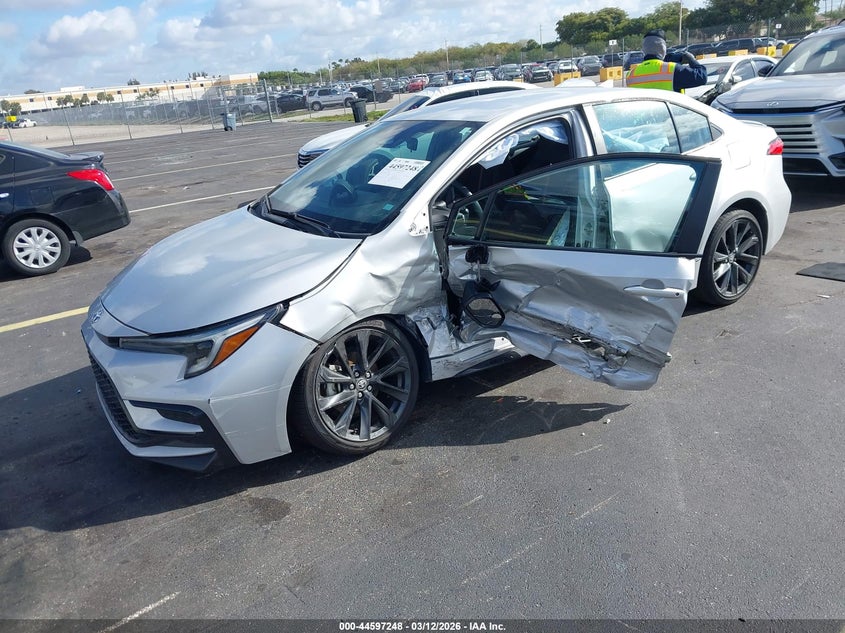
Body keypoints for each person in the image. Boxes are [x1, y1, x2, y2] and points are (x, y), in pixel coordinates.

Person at [626, 29, 707, 93]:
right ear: (663, 49)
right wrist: (691, 59)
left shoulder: (631, 75)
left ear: (643, 50)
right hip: (670, 113)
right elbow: (702, 76)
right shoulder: (671, 70)